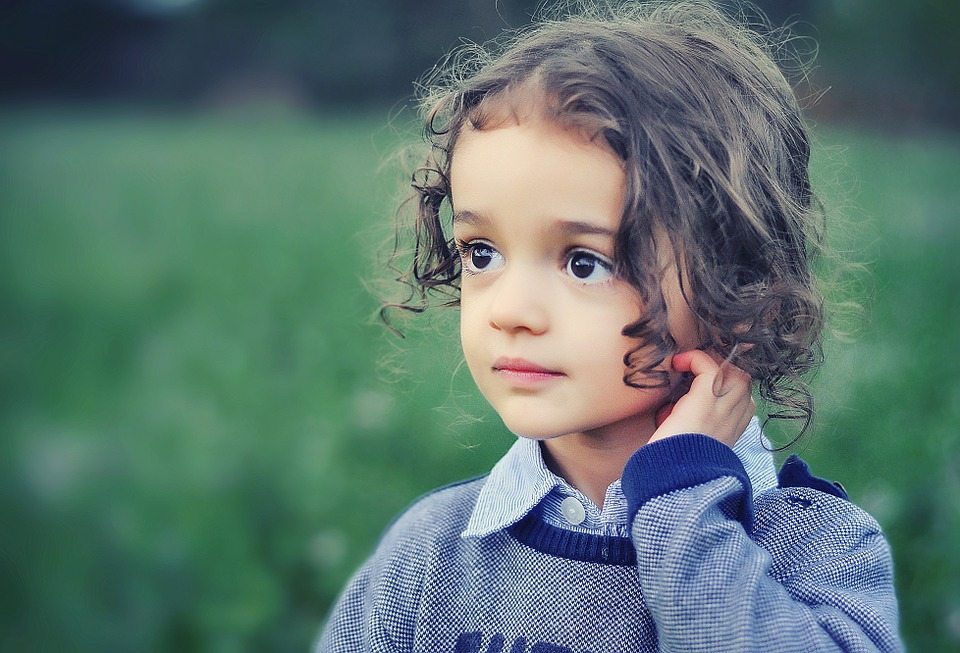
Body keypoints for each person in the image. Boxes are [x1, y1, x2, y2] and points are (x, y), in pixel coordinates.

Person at [317, 1, 902, 651]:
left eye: (586, 262)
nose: (509, 309)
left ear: (740, 283)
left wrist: (682, 500)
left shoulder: (816, 551)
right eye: (482, 253)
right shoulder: (428, 559)